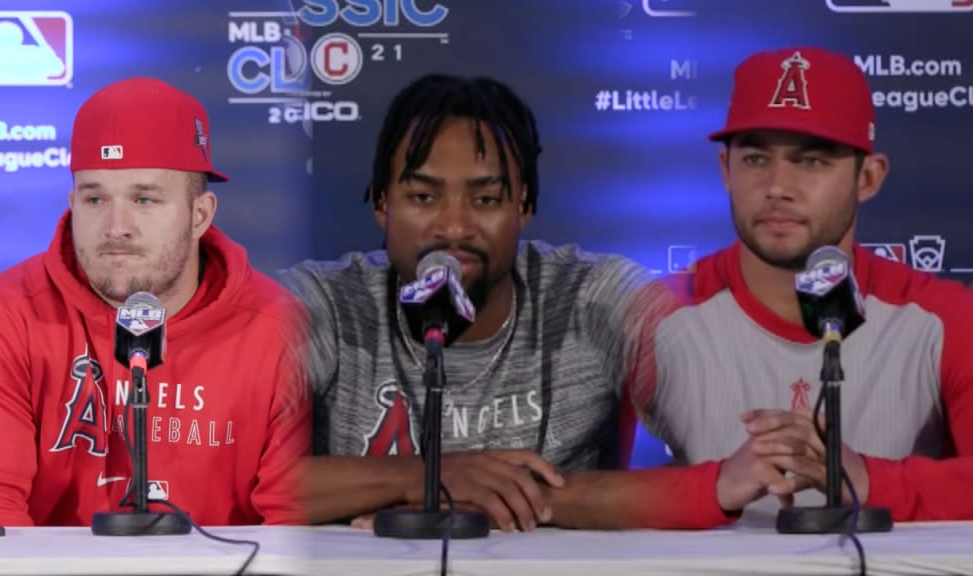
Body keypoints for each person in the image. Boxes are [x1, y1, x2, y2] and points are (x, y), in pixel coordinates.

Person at [281, 74, 737, 532]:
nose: (454, 227)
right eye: (423, 196)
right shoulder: (324, 305)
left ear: (523, 205)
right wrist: (424, 478)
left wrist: (520, 496)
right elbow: (232, 472)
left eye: (485, 199)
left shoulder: (598, 298)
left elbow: (725, 462)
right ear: (383, 202)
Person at [0, 77, 310, 526]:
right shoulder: (4, 316)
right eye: (95, 198)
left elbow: (291, 528)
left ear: (200, 214)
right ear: (72, 203)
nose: (116, 226)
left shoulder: (281, 329)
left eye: (144, 199)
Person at [644, 46, 973, 523]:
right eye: (756, 159)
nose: (778, 185)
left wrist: (867, 480)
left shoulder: (944, 318)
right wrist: (712, 486)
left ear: (869, 178)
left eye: (813, 161)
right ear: (724, 170)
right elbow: (575, 488)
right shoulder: (651, 314)